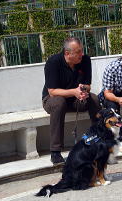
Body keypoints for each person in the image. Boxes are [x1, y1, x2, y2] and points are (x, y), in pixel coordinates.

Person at [42, 37, 101, 165]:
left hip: (76, 99)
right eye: (78, 52)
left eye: (82, 50)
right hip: (53, 99)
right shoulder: (53, 62)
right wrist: (74, 92)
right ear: (67, 53)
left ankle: (98, 140)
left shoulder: (85, 60)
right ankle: (55, 152)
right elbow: (52, 91)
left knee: (95, 99)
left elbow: (87, 85)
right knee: (59, 103)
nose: (82, 54)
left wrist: (83, 91)